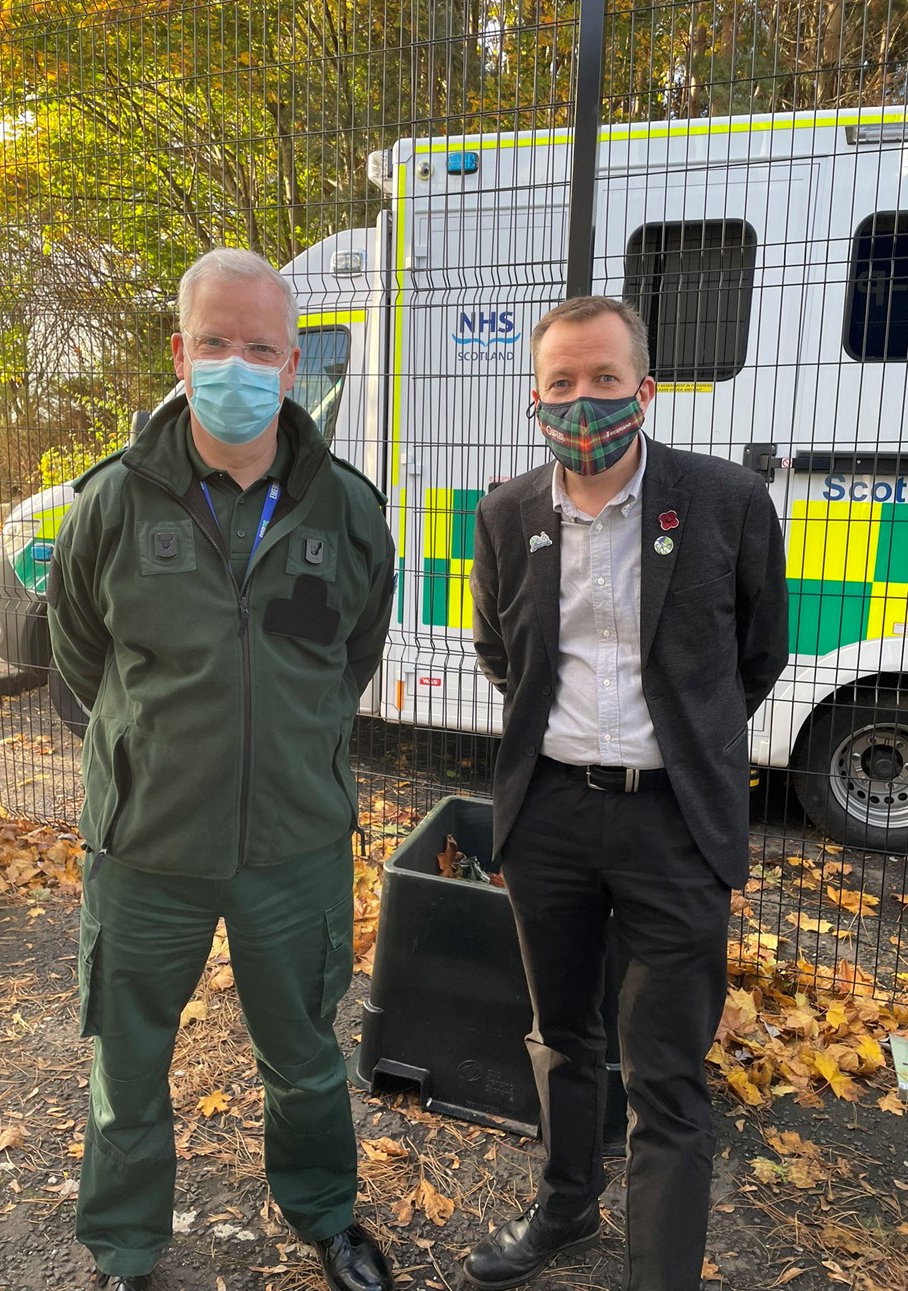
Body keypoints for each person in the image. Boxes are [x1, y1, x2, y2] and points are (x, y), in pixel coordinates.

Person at [47, 248, 396, 1291]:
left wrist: (294, 747)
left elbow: (353, 655)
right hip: (147, 844)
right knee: (128, 1063)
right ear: (180, 353)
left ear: (293, 364)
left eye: (258, 347)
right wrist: (146, 754)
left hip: (293, 847)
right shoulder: (111, 503)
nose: (235, 365)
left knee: (304, 1053)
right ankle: (123, 1246)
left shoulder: (343, 507)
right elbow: (78, 654)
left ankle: (325, 1214)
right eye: (215, 344)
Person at [464, 296, 788, 1291]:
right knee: (563, 1035)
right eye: (560, 382)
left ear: (643, 390)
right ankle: (565, 1204)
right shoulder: (505, 510)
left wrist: (676, 746)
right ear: (534, 397)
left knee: (666, 1075)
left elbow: (754, 656)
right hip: (549, 816)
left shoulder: (727, 502)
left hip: (672, 823)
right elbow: (497, 649)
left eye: (603, 379)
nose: (582, 399)